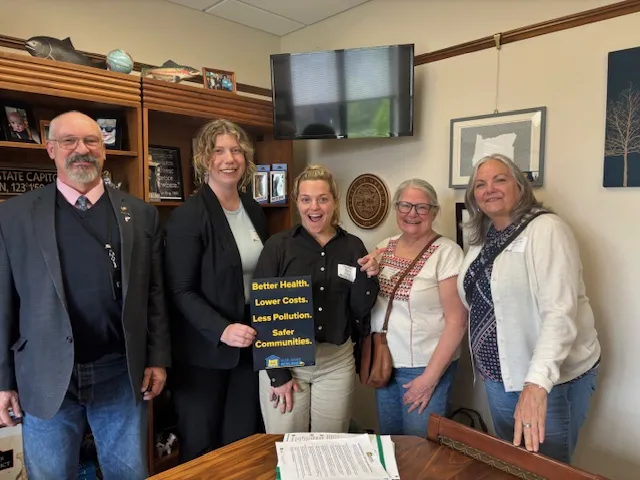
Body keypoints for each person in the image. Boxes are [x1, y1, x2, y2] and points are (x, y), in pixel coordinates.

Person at [0, 111, 170, 478]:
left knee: (129, 474)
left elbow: (155, 294)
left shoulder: (140, 214)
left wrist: (157, 358)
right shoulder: (13, 216)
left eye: (91, 141)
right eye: (69, 141)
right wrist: (2, 382)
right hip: (45, 377)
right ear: (50, 150)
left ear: (104, 149)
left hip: (120, 373)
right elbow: (3, 304)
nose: (82, 150)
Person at [458, 153, 601, 464]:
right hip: (499, 376)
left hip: (548, 379)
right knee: (511, 462)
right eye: (480, 184)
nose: (489, 189)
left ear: (520, 187)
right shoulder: (480, 237)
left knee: (545, 466)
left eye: (500, 180)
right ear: (474, 197)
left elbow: (560, 314)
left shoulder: (547, 229)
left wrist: (537, 384)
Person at [164, 119, 269, 462]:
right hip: (202, 357)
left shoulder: (253, 210)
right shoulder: (188, 216)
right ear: (204, 159)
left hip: (248, 350)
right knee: (202, 453)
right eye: (219, 150)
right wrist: (222, 329)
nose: (229, 158)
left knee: (242, 446)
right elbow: (180, 291)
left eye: (236, 150)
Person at [253, 164, 380, 434]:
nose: (315, 207)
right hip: (287, 362)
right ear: (296, 202)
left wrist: (370, 277)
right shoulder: (278, 247)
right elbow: (263, 313)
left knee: (331, 449)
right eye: (306, 199)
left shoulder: (353, 246)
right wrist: (278, 374)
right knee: (285, 447)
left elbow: (359, 308)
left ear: (334, 202)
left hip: (336, 364)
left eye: (323, 199)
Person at [370, 179, 467, 436]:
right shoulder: (382, 247)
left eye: (422, 207)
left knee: (420, 449)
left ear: (434, 212)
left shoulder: (447, 253)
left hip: (425, 366)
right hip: (385, 364)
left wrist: (429, 378)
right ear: (396, 208)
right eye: (405, 205)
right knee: (390, 444)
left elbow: (457, 321)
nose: (412, 214)